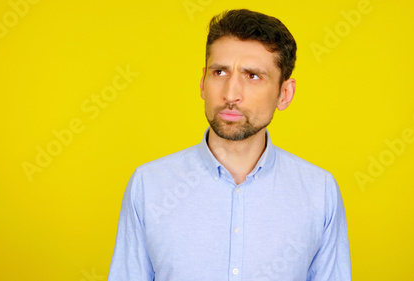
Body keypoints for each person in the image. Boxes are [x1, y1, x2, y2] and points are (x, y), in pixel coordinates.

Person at [108, 9, 351, 281]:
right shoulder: (148, 185)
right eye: (220, 72)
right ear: (202, 83)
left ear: (285, 94)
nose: (230, 94)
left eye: (253, 76)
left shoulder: (320, 192)